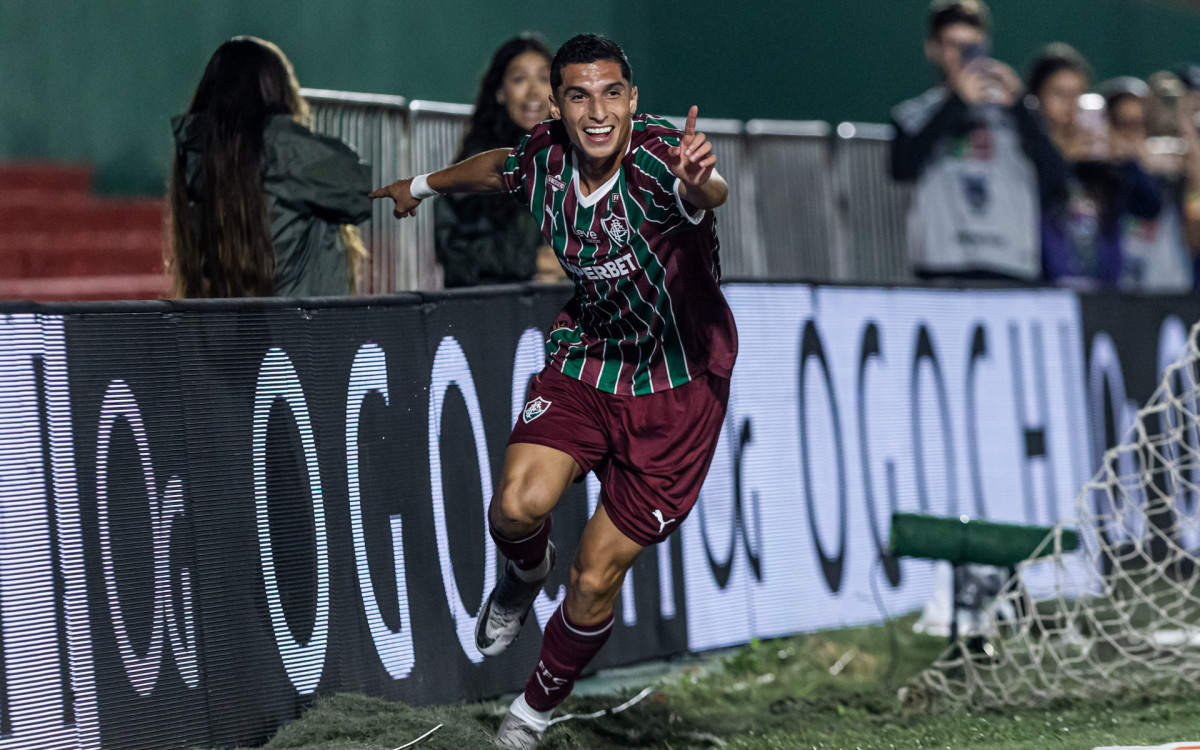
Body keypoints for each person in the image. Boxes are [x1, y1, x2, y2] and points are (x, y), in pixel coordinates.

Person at [372, 33, 736, 749]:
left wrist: (704, 180)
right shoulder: (544, 157)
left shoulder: (665, 164)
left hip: (676, 395)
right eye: (578, 95)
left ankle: (531, 714)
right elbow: (495, 169)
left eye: (610, 94)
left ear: (632, 100)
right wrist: (419, 186)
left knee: (594, 577)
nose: (596, 112)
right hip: (588, 362)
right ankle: (521, 575)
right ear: (558, 106)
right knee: (514, 508)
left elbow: (706, 193)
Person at [169, 36, 372, 298]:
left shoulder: (201, 159)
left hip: (246, 331)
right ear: (276, 90)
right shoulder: (286, 151)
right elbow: (366, 191)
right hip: (305, 329)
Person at [890, 0, 1067, 283]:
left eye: (972, 46)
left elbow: (1058, 179)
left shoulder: (1014, 111)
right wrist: (957, 102)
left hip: (1010, 266)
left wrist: (1020, 107)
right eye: (952, 45)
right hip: (944, 266)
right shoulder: (915, 115)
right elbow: (902, 168)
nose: (963, 56)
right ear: (932, 49)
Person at [436, 36, 566, 287]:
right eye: (519, 79)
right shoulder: (478, 164)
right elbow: (457, 253)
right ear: (500, 92)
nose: (534, 92)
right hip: (492, 309)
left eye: (543, 79)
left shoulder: (570, 159)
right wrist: (532, 261)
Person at [1027, 45, 1162, 289]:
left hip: (1104, 293)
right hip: (1048, 289)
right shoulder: (1026, 154)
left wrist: (1126, 159)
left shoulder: (1099, 165)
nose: (1070, 106)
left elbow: (1149, 206)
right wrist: (1066, 159)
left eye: (1078, 95)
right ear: (1035, 98)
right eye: (1060, 94)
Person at [1101, 76, 1192, 291]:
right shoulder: (1097, 173)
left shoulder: (1163, 171)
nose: (1133, 136)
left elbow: (1153, 206)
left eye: (1140, 125)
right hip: (1110, 289)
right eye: (1124, 125)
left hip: (1165, 289)